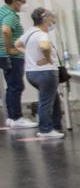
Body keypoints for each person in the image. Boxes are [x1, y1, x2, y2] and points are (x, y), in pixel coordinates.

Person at [19, 8, 64, 139]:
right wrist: (48, 59)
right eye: (51, 19)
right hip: (46, 73)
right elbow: (44, 47)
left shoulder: (30, 32)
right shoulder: (42, 34)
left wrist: (29, 54)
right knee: (46, 102)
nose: (53, 22)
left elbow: (17, 44)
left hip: (31, 73)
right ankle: (45, 130)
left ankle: (55, 125)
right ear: (45, 19)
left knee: (54, 99)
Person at [2, 0, 36, 129]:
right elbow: (5, 30)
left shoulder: (2, 11)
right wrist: (10, 48)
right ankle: (16, 118)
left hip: (4, 55)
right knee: (16, 86)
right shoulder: (10, 15)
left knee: (11, 86)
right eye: (23, 2)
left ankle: (11, 117)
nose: (24, 5)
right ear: (15, 1)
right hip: (12, 56)